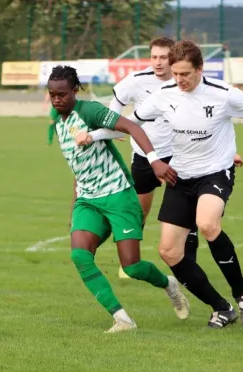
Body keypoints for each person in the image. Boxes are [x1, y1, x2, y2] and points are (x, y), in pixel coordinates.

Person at [79, 40, 243, 329]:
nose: (180, 80)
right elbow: (129, 123)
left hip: (215, 173)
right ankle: (221, 307)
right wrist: (92, 136)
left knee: (207, 224)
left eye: (186, 74)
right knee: (169, 252)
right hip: (181, 176)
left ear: (200, 69)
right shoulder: (164, 95)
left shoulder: (224, 95)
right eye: (175, 74)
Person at [46, 65, 190, 333]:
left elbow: (131, 127)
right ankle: (122, 319)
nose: (57, 99)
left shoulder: (89, 111)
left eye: (62, 94)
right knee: (80, 256)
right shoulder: (57, 119)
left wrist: (155, 161)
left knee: (132, 267)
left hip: (117, 195)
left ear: (75, 91)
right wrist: (73, 207)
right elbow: (78, 165)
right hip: (88, 200)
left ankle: (168, 284)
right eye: (52, 94)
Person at [105, 37, 205, 279]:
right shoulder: (137, 81)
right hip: (143, 156)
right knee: (139, 211)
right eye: (154, 57)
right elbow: (116, 101)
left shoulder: (183, 81)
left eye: (163, 57)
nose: (158, 63)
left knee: (186, 211)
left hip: (178, 154)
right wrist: (112, 125)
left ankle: (188, 264)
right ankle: (130, 262)